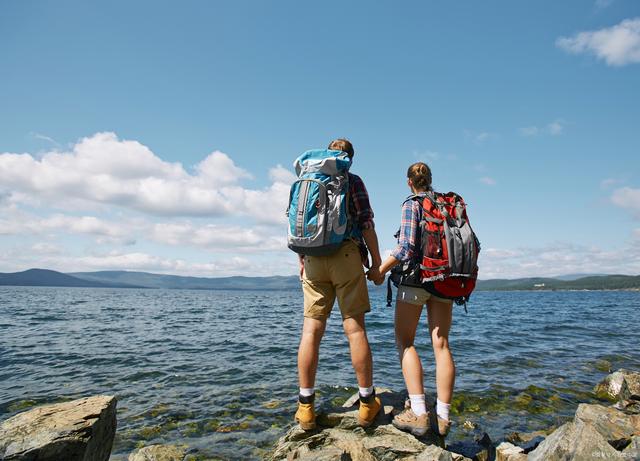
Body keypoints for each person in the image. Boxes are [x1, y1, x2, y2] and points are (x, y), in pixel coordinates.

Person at [295, 138, 383, 430]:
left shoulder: (308, 179)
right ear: (350, 158)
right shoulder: (352, 181)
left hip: (312, 258)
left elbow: (299, 223)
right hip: (346, 254)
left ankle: (305, 408)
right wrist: (376, 262)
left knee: (311, 331)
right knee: (354, 328)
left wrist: (303, 260)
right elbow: (367, 223)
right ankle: (367, 404)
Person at [369, 162, 455, 438]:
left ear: (409, 182)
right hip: (445, 280)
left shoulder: (412, 203)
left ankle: (418, 412)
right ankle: (442, 417)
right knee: (441, 345)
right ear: (430, 180)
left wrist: (379, 270)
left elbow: (406, 247)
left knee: (405, 342)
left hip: (416, 280)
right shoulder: (445, 204)